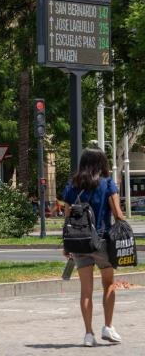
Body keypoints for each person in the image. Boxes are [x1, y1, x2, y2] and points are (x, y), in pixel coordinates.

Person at [62, 147, 125, 347]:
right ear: (102, 163)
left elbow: (67, 218)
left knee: (85, 291)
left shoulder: (72, 185)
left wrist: (66, 244)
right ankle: (108, 326)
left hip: (79, 244)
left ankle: (88, 334)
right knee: (108, 285)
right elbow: (117, 213)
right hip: (102, 242)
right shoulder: (107, 184)